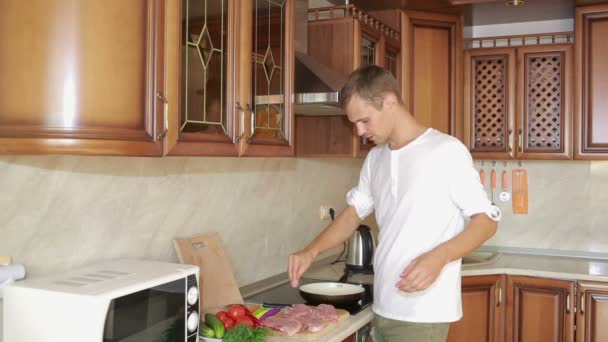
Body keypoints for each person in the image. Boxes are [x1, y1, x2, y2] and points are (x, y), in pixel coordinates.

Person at [288, 65, 501, 342]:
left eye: (364, 120)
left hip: (423, 312)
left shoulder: (445, 151)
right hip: (384, 305)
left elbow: (486, 223)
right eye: (354, 123)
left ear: (389, 102)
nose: (359, 131)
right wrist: (311, 251)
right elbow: (353, 215)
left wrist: (439, 257)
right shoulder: (376, 158)